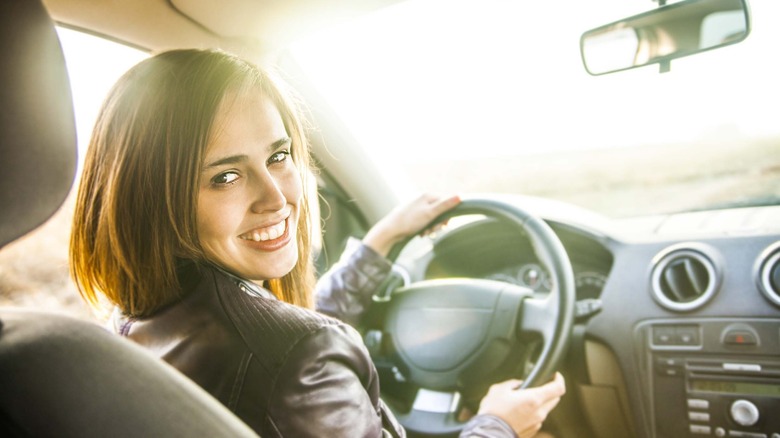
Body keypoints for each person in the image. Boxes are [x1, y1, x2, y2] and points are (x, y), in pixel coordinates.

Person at [70, 48, 565, 438]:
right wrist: (497, 424)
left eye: (279, 155)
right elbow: (290, 354)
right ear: (151, 197)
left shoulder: (141, 317)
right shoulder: (300, 358)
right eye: (225, 177)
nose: (277, 195)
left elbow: (271, 345)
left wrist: (378, 243)